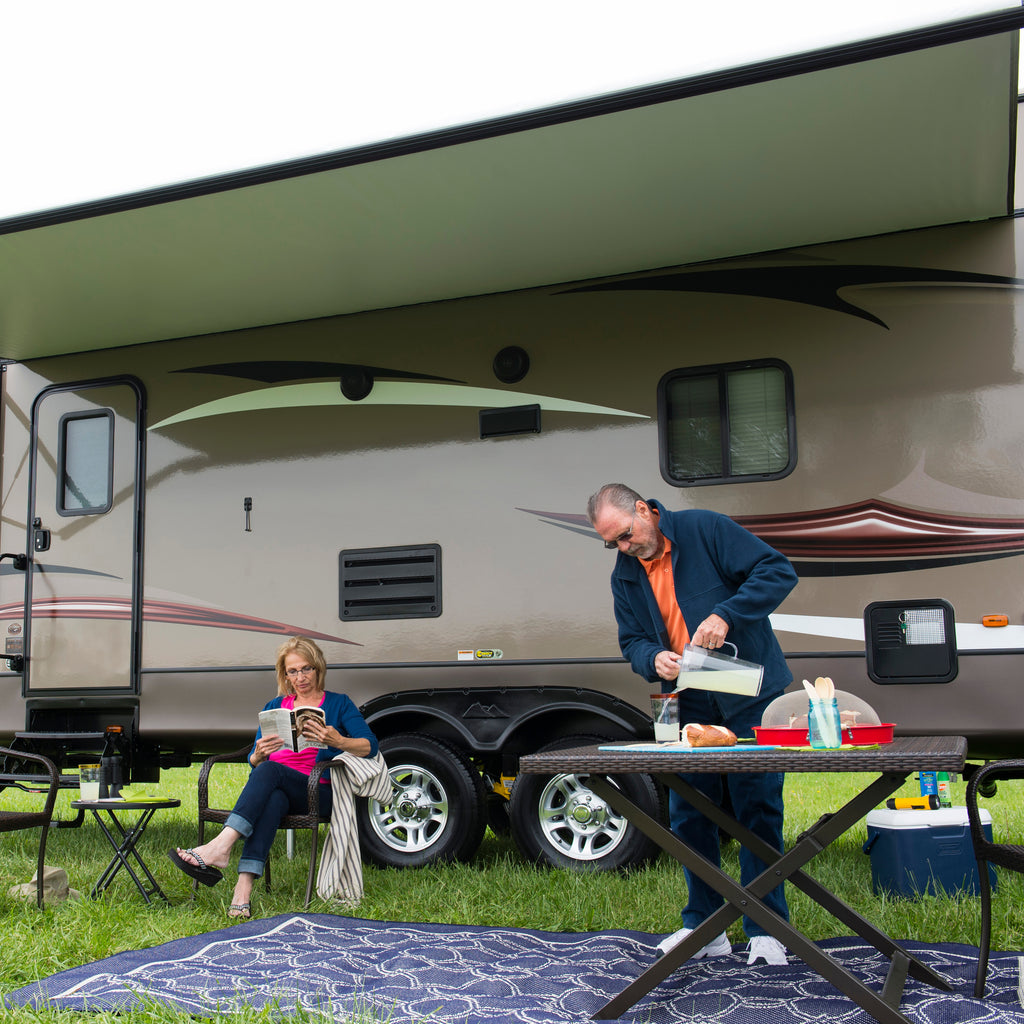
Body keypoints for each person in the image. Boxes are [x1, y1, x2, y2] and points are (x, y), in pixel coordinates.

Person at [586, 483, 798, 967]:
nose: (623, 548)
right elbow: (631, 640)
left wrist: (726, 615)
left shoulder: (706, 528)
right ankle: (705, 927)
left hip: (748, 690)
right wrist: (651, 658)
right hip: (684, 697)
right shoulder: (624, 574)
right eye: (612, 543)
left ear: (645, 510)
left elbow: (777, 571)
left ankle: (767, 928)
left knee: (758, 808)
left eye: (625, 534)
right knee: (689, 812)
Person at [169, 635, 378, 917]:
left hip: (319, 790)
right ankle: (242, 891)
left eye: (306, 669)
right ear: (285, 675)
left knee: (270, 772)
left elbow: (370, 746)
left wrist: (338, 740)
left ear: (318, 668)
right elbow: (255, 762)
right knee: (273, 798)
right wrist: (257, 754)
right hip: (279, 787)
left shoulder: (339, 704)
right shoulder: (274, 706)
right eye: (293, 671)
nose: (300, 677)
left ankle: (221, 845)